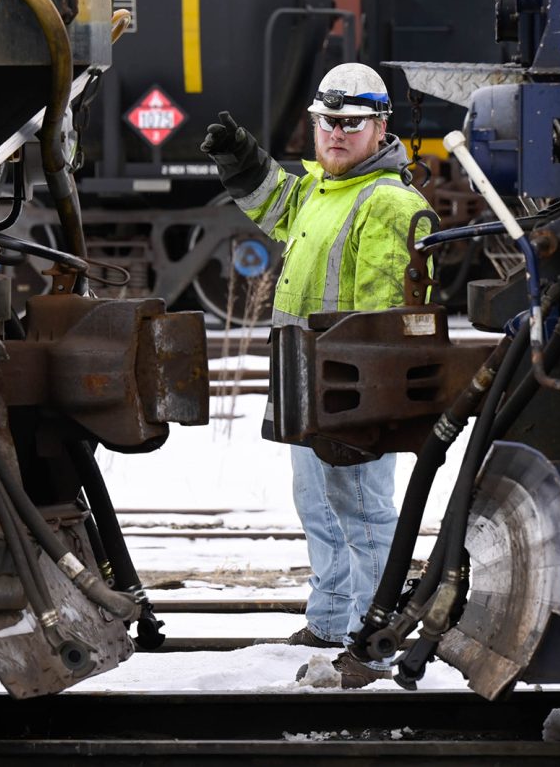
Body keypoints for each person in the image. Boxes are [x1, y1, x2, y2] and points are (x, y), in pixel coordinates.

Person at [200, 63, 436, 687]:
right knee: (320, 507)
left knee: (361, 512)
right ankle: (332, 619)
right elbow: (277, 204)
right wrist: (243, 161)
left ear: (379, 127)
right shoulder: (322, 190)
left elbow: (386, 320)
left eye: (349, 123)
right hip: (309, 383)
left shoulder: (386, 202)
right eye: (325, 122)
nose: (334, 134)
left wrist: (366, 408)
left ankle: (375, 635)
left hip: (350, 390)